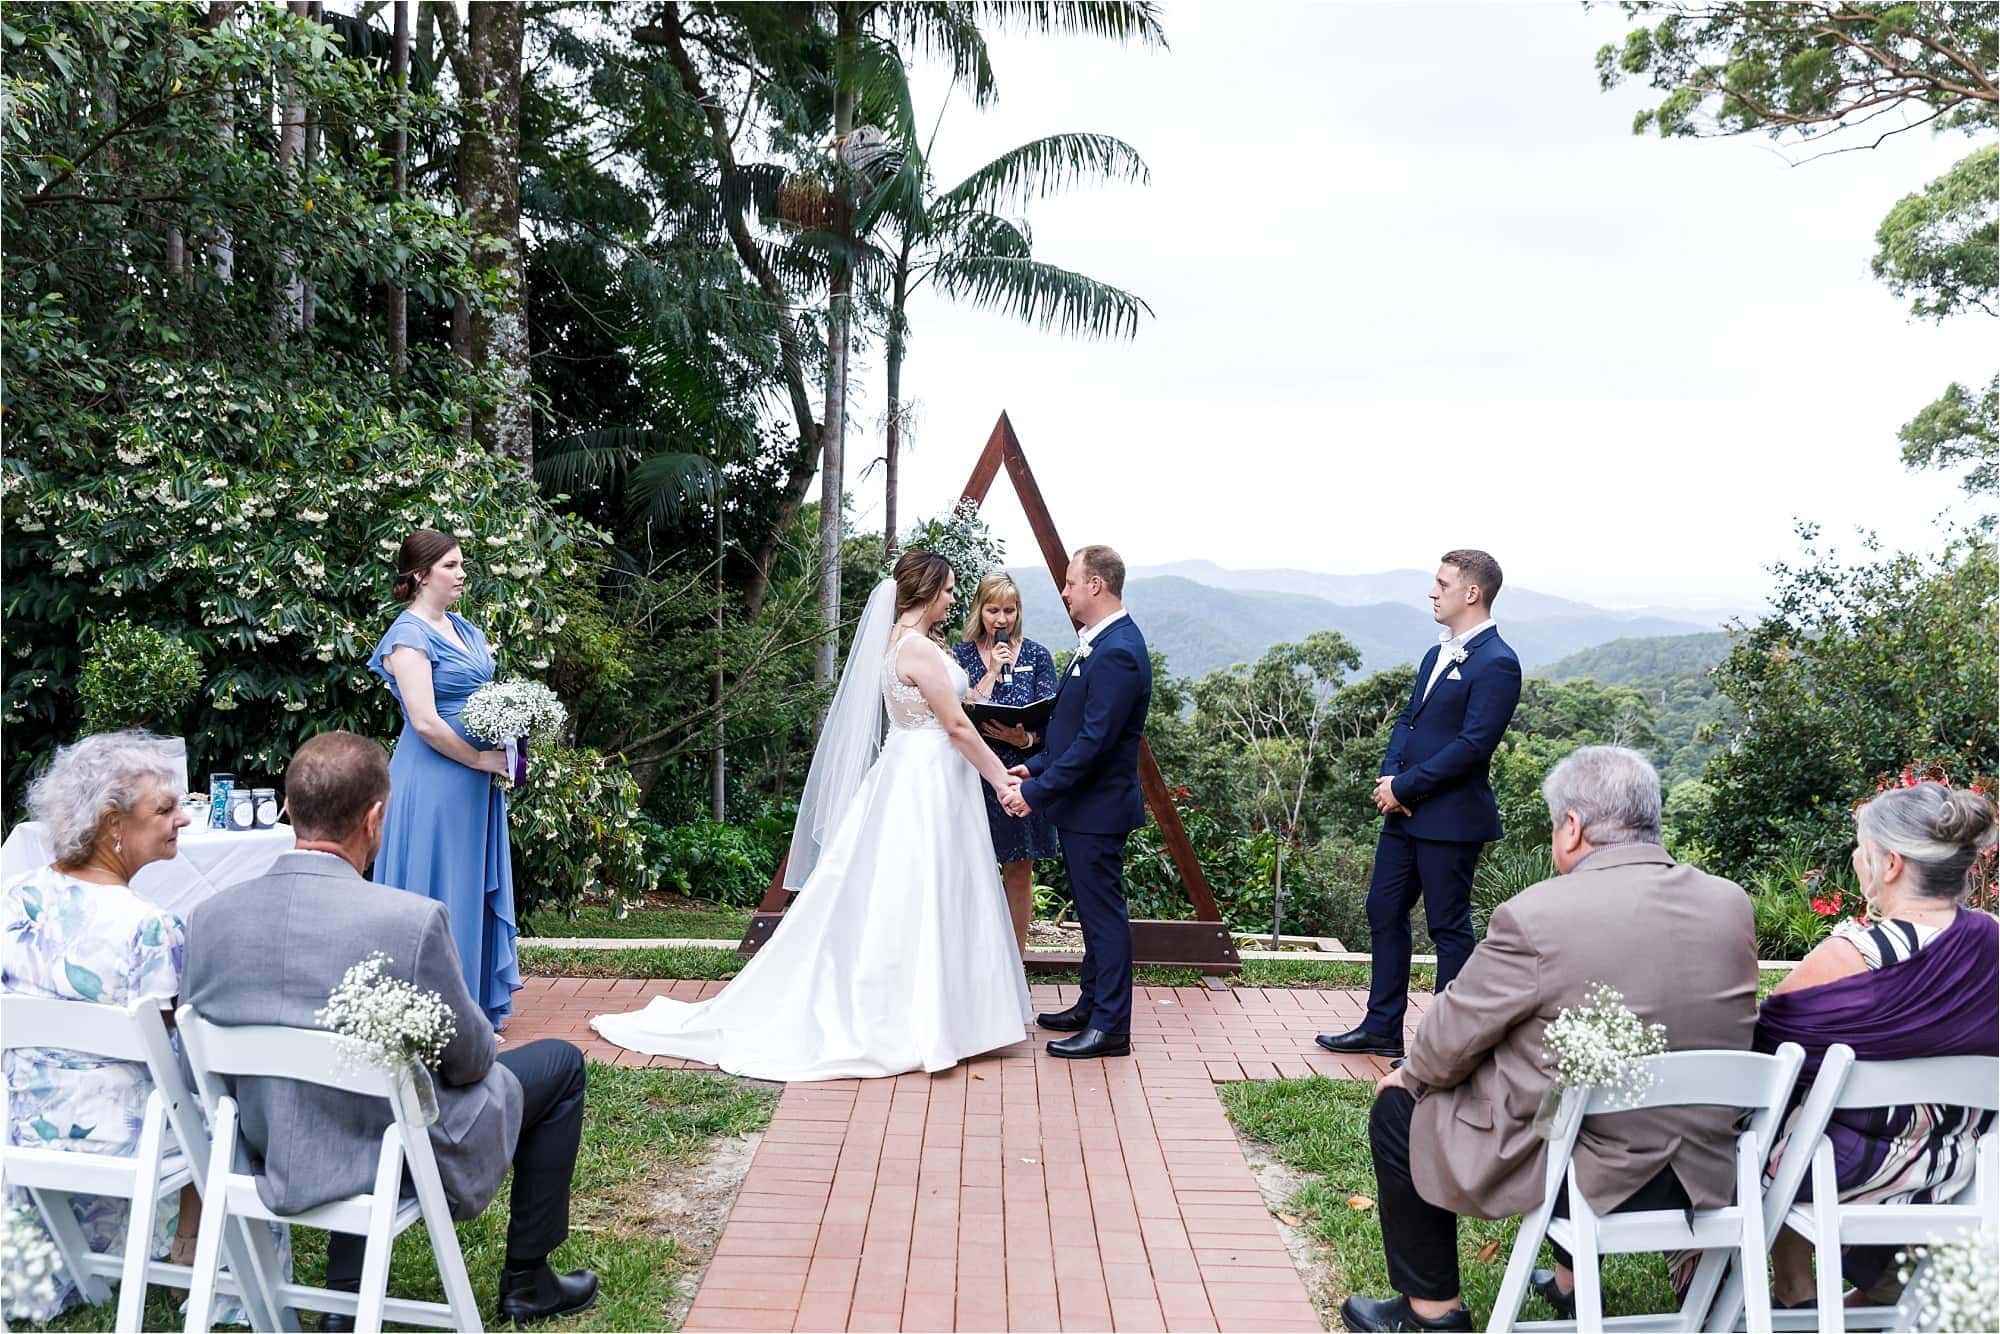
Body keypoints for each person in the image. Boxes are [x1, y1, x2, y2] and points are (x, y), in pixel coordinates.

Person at [181, 732, 596, 1329]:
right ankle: (530, 1279)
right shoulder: (409, 921)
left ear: (289, 809)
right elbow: (472, 1060)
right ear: (375, 819)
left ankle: (345, 1302)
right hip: (380, 1147)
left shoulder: (209, 918)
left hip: (264, 1145)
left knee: (360, 1092)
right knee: (559, 1065)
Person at [1339, 747, 1756, 1333]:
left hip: (1586, 1168)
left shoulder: (1536, 915)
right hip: (1708, 1167)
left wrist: (1413, 1073)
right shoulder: (1728, 902)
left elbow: (1436, 1050)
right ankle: (1567, 1282)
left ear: (1573, 827)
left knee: (1398, 1104)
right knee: (1596, 1082)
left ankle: (1431, 1312)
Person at [590, 550, 1034, 1080]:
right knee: (920, 887)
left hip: (926, 774)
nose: (953, 598)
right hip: (926, 779)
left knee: (929, 888)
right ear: (928, 591)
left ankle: (953, 1015)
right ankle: (917, 1015)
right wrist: (1002, 778)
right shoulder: (915, 648)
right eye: (948, 590)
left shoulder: (907, 643)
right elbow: (958, 727)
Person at [1, 730, 283, 1326]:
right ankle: (208, 1260)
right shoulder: (151, 928)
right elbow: (180, 1060)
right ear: (112, 825)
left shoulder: (12, 897)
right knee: (237, 1094)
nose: (182, 819)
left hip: (23, 1126)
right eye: (166, 809)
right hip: (126, 1136)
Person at [1752, 781, 1998, 1309]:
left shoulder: (1853, 955)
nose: (1856, 861)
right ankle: (1888, 1285)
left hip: (1848, 1169)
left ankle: (1794, 1286)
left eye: (1862, 850)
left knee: (1767, 1110)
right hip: (1957, 1164)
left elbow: (1765, 1045)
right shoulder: (1992, 943)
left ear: (1890, 865)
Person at [1319, 549, 1522, 1062]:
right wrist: (1392, 778)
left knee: (1447, 927)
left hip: (1451, 819)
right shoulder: (1436, 654)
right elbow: (1408, 718)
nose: (1433, 592)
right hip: (1403, 812)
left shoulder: (1499, 662)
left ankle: (1445, 1044)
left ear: (1471, 593)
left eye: (1441, 583)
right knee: (1383, 909)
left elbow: (1474, 745)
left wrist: (1407, 788)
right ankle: (1381, 1025)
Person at [1001, 545, 1152, 1061]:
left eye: (1070, 582)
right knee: (1092, 914)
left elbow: (1095, 743)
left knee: (1104, 916)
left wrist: (1035, 793)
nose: (1064, 592)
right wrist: (1036, 766)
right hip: (1085, 805)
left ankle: (1112, 1027)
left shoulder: (1118, 651)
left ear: (1096, 585)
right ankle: (1091, 1006)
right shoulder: (1101, 642)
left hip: (1098, 808)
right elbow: (1073, 732)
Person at [367, 528, 521, 1030]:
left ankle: (468, 1006)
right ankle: (429, 1013)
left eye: (461, 564)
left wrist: (512, 738)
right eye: (450, 566)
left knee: (467, 885)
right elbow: (427, 721)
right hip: (434, 779)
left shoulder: (465, 630)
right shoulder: (407, 636)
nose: (461, 574)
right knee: (438, 884)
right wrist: (478, 760)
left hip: (474, 782)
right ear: (420, 575)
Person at [954, 570, 1062, 955]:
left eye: (1010, 611)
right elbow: (955, 712)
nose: (1001, 620)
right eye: (993, 610)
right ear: (979, 610)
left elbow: (1054, 721)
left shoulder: (1036, 655)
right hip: (972, 773)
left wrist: (1026, 738)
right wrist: (991, 671)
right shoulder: (960, 655)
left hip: (1020, 774)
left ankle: (1014, 960)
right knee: (970, 868)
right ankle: (972, 957)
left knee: (1019, 869)